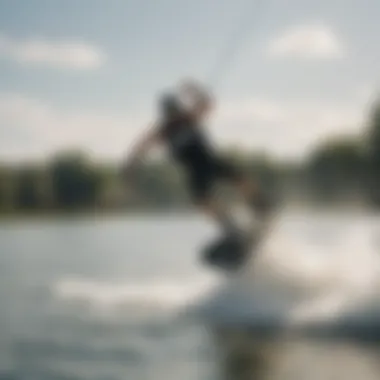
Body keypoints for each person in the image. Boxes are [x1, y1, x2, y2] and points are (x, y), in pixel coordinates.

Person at [123, 79, 272, 240]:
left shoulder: (189, 118)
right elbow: (141, 146)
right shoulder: (163, 131)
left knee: (239, 178)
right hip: (195, 171)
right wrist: (131, 166)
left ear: (177, 108)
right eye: (169, 112)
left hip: (210, 160)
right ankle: (230, 228)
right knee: (202, 201)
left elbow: (207, 103)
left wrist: (194, 89)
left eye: (175, 110)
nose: (173, 114)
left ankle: (261, 206)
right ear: (165, 113)